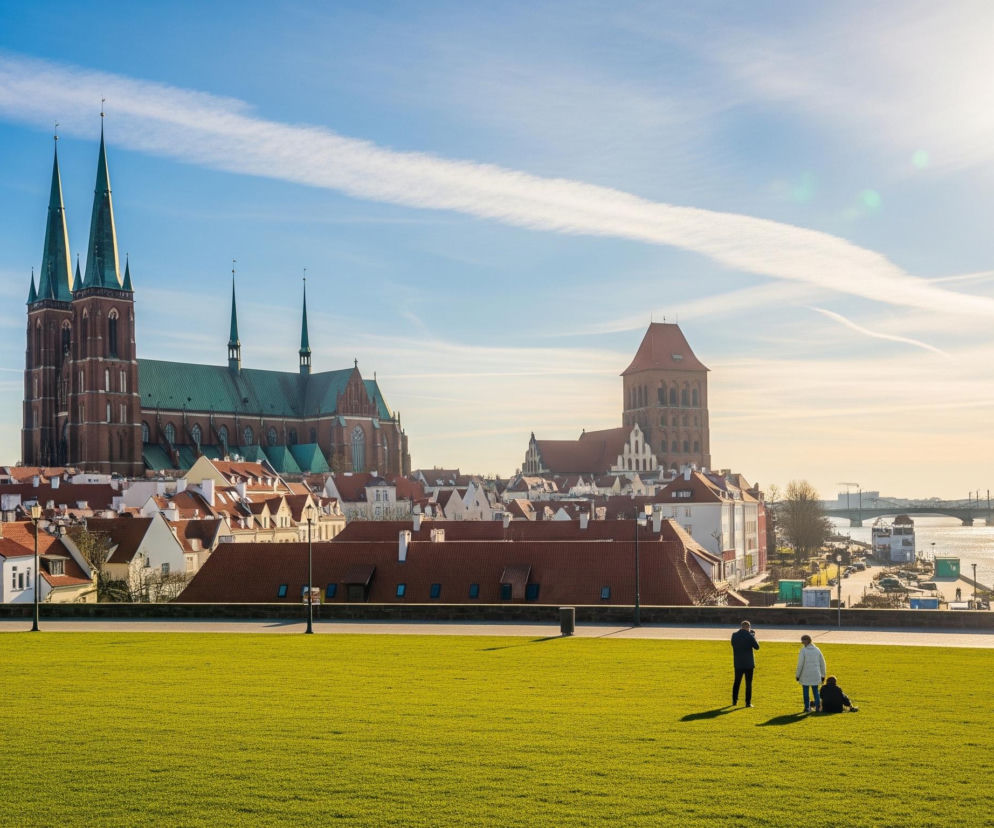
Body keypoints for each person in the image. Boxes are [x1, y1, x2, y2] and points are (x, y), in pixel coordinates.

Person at [730, 620, 760, 707]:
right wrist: (753, 637)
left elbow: (733, 644)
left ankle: (734, 701)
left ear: (741, 626)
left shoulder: (734, 635)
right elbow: (757, 647)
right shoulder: (750, 636)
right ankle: (748, 702)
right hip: (748, 663)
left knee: (737, 682)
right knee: (748, 683)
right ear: (748, 627)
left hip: (738, 662)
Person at [795, 634, 827, 712]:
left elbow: (800, 664)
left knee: (806, 692)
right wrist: (823, 675)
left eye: (803, 641)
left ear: (806, 641)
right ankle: (818, 707)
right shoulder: (817, 650)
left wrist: (797, 675)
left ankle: (807, 707)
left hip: (805, 675)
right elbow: (822, 663)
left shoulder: (803, 651)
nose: (802, 643)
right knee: (815, 692)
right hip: (816, 674)